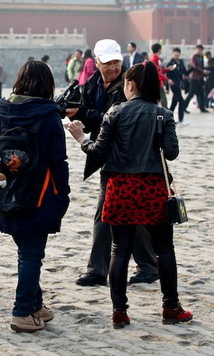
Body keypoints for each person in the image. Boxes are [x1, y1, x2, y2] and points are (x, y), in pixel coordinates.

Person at [67, 61, 193, 329]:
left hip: (120, 186)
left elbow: (98, 152)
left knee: (119, 249)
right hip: (153, 187)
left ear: (131, 84)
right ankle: (171, 306)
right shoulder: (163, 114)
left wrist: (81, 138)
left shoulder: (115, 112)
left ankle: (119, 311)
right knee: (164, 249)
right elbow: (171, 152)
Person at [0, 60, 70, 333]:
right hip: (39, 194)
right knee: (32, 255)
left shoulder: (3, 111)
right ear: (47, 85)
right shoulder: (49, 116)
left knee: (27, 252)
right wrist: (63, 195)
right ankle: (22, 310)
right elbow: (58, 160)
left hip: (6, 192)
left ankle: (35, 304)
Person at [66, 39, 158, 287]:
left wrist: (83, 115)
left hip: (127, 157)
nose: (113, 67)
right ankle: (148, 265)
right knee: (126, 212)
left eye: (116, 62)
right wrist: (73, 110)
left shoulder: (130, 86)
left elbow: (116, 119)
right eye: (107, 63)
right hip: (106, 155)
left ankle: (99, 270)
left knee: (106, 213)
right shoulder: (90, 85)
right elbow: (95, 118)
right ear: (96, 62)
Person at [183, 44, 209, 114]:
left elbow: (202, 66)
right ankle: (183, 107)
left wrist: (204, 72)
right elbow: (194, 67)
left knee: (201, 93)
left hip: (200, 78)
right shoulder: (194, 57)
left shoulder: (201, 57)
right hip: (194, 78)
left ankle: (202, 108)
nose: (199, 51)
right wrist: (202, 71)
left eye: (200, 49)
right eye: (197, 49)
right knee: (191, 94)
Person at [166, 48, 188, 124]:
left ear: (180, 53)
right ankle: (181, 119)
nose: (176, 54)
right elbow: (167, 76)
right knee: (182, 102)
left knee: (174, 103)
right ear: (172, 53)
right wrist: (167, 88)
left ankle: (167, 118)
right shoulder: (170, 63)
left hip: (179, 84)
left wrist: (192, 67)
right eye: (175, 52)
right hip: (174, 85)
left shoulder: (181, 62)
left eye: (178, 52)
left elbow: (185, 72)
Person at [150, 43, 168, 108]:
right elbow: (156, 72)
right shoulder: (153, 59)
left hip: (159, 82)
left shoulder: (157, 59)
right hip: (156, 83)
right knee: (163, 100)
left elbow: (159, 70)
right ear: (159, 50)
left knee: (162, 100)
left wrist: (167, 69)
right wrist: (166, 79)